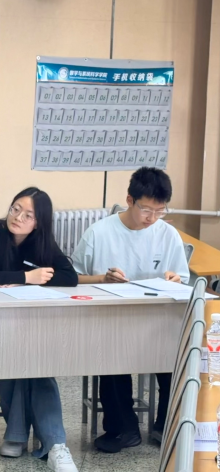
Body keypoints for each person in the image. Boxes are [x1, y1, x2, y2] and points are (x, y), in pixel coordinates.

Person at [71, 167, 189, 454]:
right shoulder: (100, 232)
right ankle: (123, 429)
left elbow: (182, 280)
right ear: (129, 200)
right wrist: (102, 278)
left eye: (159, 211)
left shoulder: (168, 235)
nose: (152, 218)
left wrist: (175, 279)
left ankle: (166, 426)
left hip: (158, 322)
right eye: (146, 210)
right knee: (111, 358)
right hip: (111, 320)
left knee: (177, 358)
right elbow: (72, 277)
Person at [0, 187, 79, 472]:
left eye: (28, 215)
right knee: (18, 367)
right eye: (15, 208)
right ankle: (31, 438)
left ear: (38, 222)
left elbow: (69, 277)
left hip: (33, 325)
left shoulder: (42, 242)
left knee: (38, 368)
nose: (18, 217)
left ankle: (45, 443)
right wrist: (27, 276)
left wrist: (24, 281)